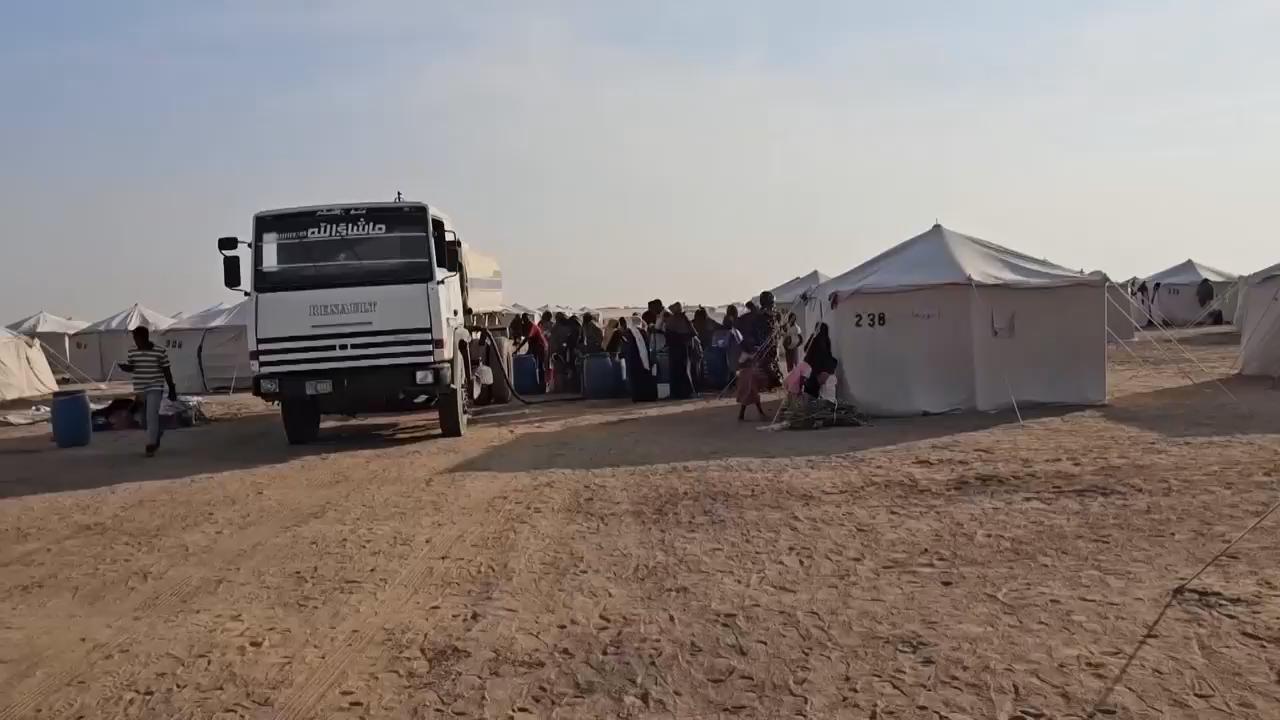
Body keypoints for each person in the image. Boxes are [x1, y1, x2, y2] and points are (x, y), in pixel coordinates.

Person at [117, 326, 178, 457]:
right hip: (140, 388)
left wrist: (172, 388)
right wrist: (126, 368)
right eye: (134, 339)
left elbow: (166, 370)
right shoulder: (132, 351)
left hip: (155, 386)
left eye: (137, 338)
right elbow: (133, 367)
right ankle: (157, 433)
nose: (136, 341)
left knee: (151, 415)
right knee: (144, 420)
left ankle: (151, 445)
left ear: (145, 337)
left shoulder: (160, 351)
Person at [622, 314, 658, 402]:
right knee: (644, 378)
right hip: (643, 359)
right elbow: (647, 345)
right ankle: (645, 396)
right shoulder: (643, 332)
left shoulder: (627, 332)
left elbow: (625, 346)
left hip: (632, 359)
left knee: (635, 379)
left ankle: (637, 397)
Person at [664, 303, 696, 400]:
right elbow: (693, 333)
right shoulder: (685, 319)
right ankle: (687, 392)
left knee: (675, 371)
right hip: (685, 348)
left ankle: (676, 393)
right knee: (685, 370)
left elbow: (668, 335)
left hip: (675, 349)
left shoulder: (671, 320)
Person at [513, 313, 548, 391]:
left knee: (540, 366)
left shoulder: (532, 326)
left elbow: (527, 338)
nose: (525, 321)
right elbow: (524, 337)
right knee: (533, 364)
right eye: (524, 319)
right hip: (534, 346)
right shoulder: (525, 326)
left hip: (541, 346)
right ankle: (534, 384)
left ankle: (543, 386)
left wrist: (518, 349)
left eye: (526, 319)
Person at [801, 322, 837, 398]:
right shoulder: (827, 340)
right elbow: (829, 355)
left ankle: (808, 406)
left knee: (809, 392)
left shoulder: (813, 338)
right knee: (818, 394)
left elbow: (805, 349)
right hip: (821, 373)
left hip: (811, 371)